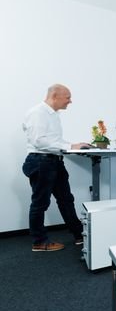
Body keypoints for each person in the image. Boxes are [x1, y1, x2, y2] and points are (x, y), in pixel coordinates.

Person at [22, 84, 90, 252]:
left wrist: (72, 146)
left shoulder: (53, 115)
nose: (70, 101)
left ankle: (79, 234)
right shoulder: (38, 113)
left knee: (66, 200)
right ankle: (39, 242)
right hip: (41, 162)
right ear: (54, 96)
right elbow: (40, 141)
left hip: (53, 161)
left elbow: (52, 140)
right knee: (40, 203)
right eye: (67, 97)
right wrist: (71, 145)